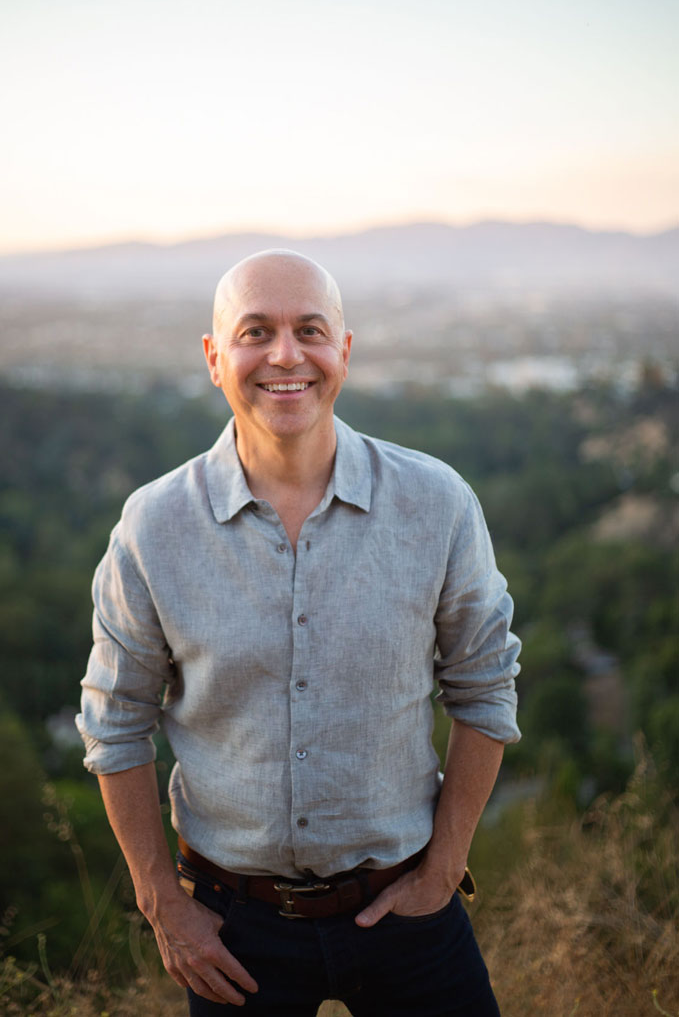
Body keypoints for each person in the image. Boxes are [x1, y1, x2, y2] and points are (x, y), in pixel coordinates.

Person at [77, 249, 521, 1016]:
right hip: (232, 930)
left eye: (309, 329)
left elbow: (484, 688)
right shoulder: (153, 528)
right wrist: (164, 906)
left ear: (342, 350)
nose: (286, 354)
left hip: (409, 913)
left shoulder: (436, 503)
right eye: (256, 331)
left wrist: (444, 869)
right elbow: (115, 726)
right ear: (215, 358)